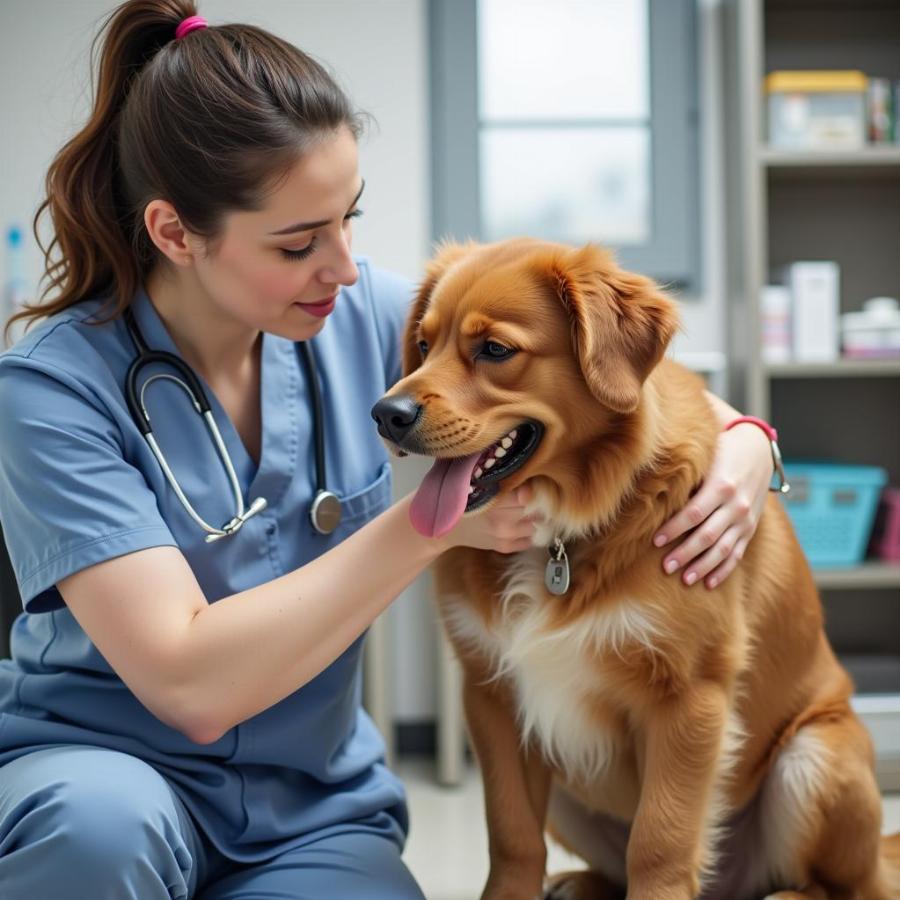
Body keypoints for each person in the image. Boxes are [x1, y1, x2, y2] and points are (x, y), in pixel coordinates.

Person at [0, 2, 776, 897]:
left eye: (347, 220)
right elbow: (190, 686)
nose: (341, 265)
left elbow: (607, 373)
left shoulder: (352, 310)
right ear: (175, 233)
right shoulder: (52, 392)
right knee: (101, 836)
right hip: (111, 775)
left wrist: (748, 439)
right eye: (298, 243)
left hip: (306, 809)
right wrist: (433, 527)